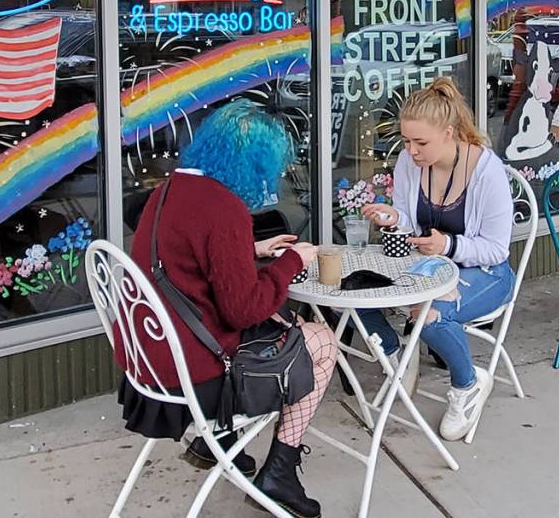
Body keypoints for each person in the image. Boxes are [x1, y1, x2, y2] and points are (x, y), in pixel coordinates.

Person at [116, 100, 337, 518]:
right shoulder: (224, 207)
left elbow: (187, 257)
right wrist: (292, 262)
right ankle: (280, 474)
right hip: (192, 376)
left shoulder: (168, 190)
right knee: (322, 343)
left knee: (285, 324)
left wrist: (250, 249)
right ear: (254, 163)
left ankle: (217, 440)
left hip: (148, 360)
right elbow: (243, 311)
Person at [361, 77, 515, 442]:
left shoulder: (487, 171)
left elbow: (497, 249)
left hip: (486, 272)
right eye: (406, 141)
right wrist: (394, 217)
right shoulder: (408, 162)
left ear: (449, 133)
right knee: (351, 289)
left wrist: (448, 245)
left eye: (421, 142)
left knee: (428, 316)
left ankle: (468, 385)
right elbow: (410, 220)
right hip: (428, 265)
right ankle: (396, 354)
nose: (411, 151)